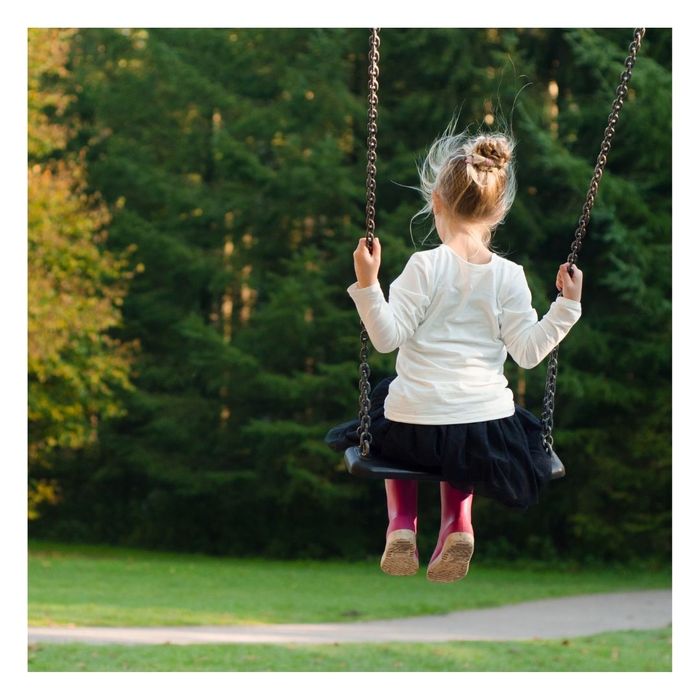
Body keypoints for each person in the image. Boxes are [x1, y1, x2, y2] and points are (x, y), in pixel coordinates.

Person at [325, 120, 583, 583]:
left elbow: (386, 338)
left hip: (413, 428)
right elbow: (528, 353)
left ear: (436, 202)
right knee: (465, 436)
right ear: (498, 212)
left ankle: (402, 525)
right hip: (484, 430)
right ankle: (458, 524)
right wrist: (567, 306)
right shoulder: (510, 275)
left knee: (390, 407)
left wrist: (368, 284)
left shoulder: (424, 267)